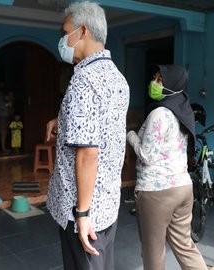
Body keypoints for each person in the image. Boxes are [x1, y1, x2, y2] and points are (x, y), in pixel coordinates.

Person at [45, 2, 130, 269]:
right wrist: (63, 119)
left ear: (82, 31)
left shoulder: (84, 80)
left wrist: (82, 214)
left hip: (82, 210)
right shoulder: (117, 77)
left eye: (65, 32)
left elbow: (88, 154)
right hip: (106, 203)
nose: (62, 40)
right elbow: (102, 126)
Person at [126, 65, 207, 270]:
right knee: (184, 246)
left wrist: (130, 135)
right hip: (183, 187)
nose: (154, 83)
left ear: (171, 85)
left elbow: (147, 155)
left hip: (157, 191)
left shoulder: (160, 113)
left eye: (159, 80)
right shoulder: (183, 109)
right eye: (155, 78)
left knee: (153, 252)